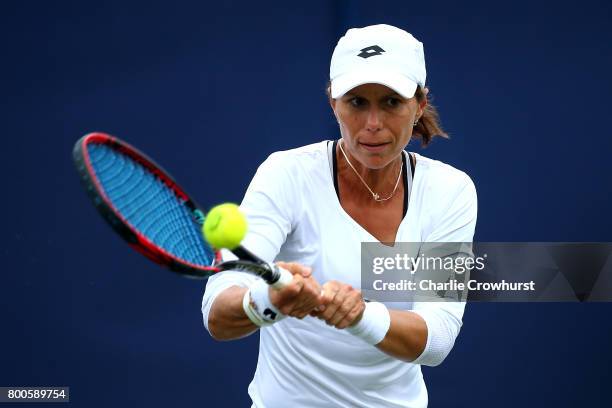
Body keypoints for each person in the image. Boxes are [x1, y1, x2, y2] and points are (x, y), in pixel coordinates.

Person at [201, 24, 477, 408]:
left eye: (391, 102)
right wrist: (269, 300)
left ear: (419, 103)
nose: (373, 124)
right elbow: (218, 310)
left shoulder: (450, 190)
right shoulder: (286, 174)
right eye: (357, 102)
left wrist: (359, 317)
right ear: (333, 103)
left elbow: (437, 338)